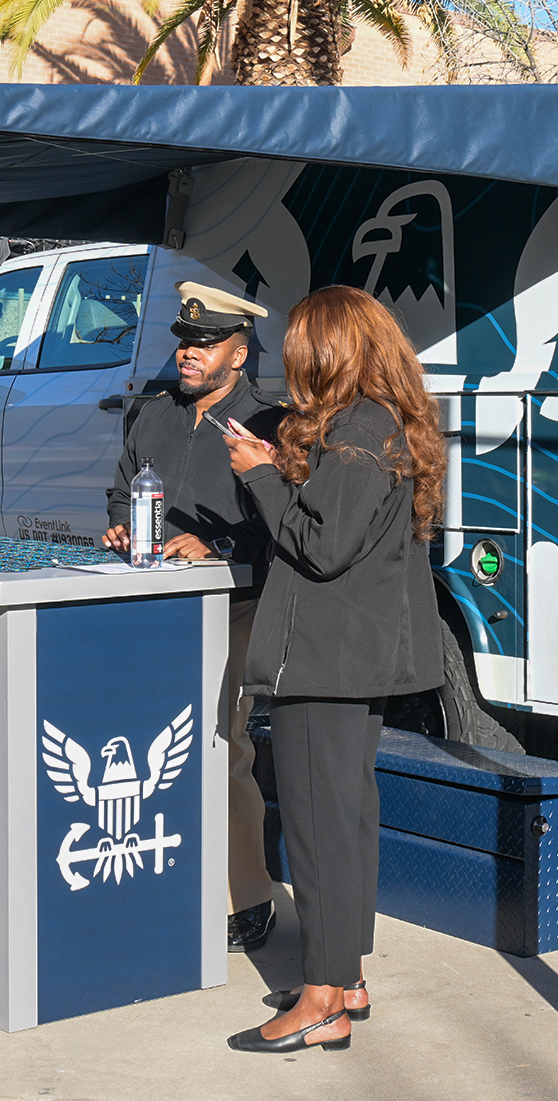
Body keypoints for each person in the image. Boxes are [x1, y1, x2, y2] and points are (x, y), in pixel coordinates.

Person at [221, 285, 445, 1053]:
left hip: (325, 661)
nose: (292, 364)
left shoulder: (356, 431)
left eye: (299, 350)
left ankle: (321, 1000)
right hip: (353, 659)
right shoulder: (386, 424)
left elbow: (319, 545)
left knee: (320, 832)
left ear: (329, 353)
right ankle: (343, 975)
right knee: (346, 822)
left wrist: (257, 471)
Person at [102, 281, 285, 953]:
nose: (189, 352)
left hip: (231, 610)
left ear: (238, 356)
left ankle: (249, 898)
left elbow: (283, 523)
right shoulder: (153, 414)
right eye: (185, 339)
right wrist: (122, 529)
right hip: (151, 611)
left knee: (225, 750)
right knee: (157, 750)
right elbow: (121, 492)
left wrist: (221, 546)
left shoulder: (270, 423)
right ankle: (165, 877)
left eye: (205, 343)